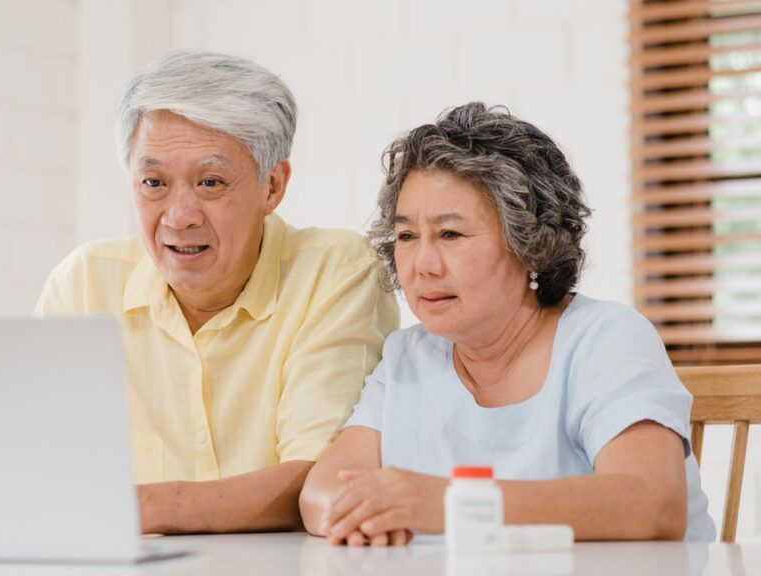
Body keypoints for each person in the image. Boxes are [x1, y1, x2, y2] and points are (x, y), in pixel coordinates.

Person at [299, 102, 716, 545]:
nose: (421, 264)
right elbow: (323, 488)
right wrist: (358, 518)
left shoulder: (606, 339)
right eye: (406, 236)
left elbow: (653, 505)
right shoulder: (407, 357)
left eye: (451, 234)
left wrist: (449, 505)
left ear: (529, 242)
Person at [35, 51, 399, 534]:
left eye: (210, 182)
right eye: (153, 182)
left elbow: (322, 480)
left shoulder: (335, 272)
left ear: (272, 185)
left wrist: (141, 509)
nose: (179, 215)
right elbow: (35, 463)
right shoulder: (83, 283)